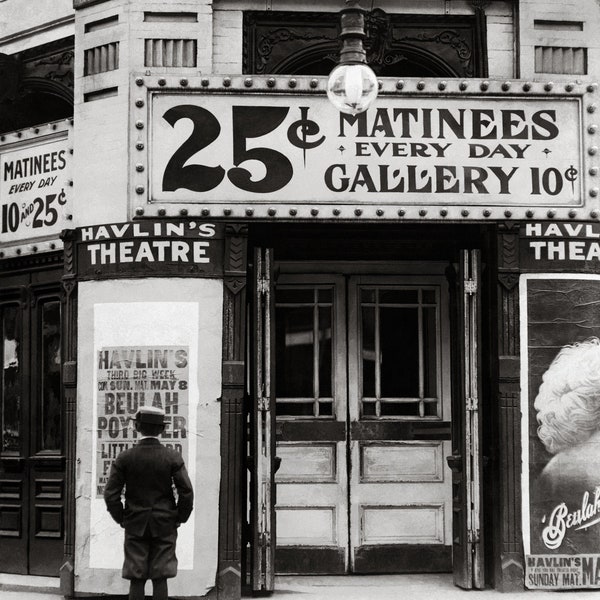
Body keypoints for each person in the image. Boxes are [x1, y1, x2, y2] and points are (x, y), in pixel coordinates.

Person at [104, 406, 194, 600]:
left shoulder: (125, 458)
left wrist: (123, 519)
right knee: (160, 576)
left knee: (136, 576)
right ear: (161, 430)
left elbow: (111, 495)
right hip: (165, 523)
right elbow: (186, 492)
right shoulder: (172, 457)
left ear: (137, 427)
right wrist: (179, 518)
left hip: (135, 523)